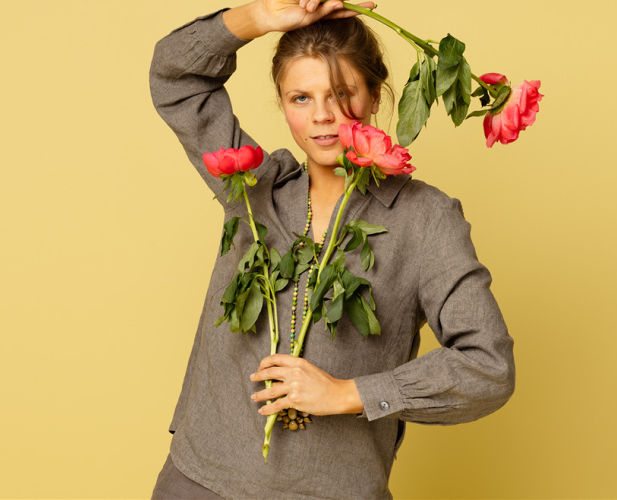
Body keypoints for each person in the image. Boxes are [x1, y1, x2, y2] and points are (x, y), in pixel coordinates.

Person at [148, 1, 516, 498]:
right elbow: (175, 76)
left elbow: (487, 366)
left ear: (374, 95)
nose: (321, 116)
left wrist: (349, 393)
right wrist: (261, 16)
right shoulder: (252, 187)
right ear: (282, 102)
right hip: (198, 482)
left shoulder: (425, 220)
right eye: (300, 97)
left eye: (341, 94)